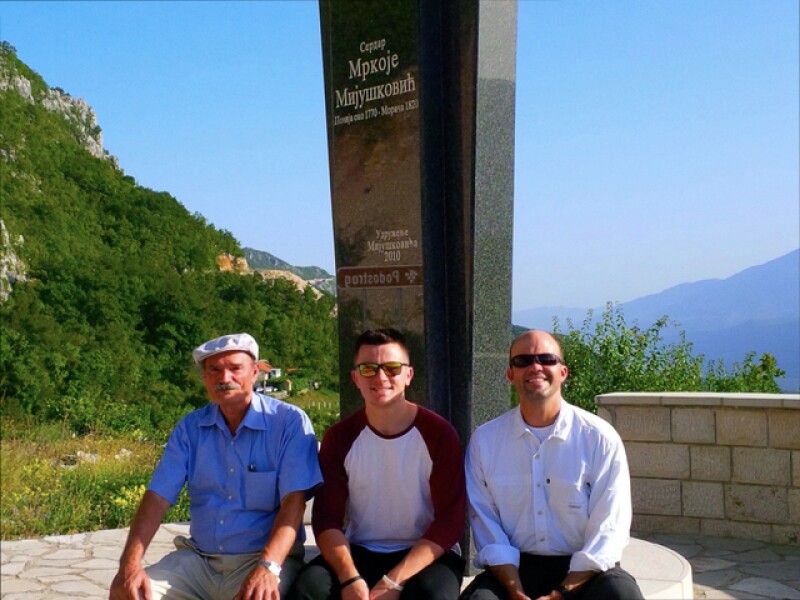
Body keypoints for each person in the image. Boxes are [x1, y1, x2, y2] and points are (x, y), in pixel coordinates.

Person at [109, 333, 323, 600]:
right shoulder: (190, 428)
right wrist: (129, 564)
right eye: (215, 370)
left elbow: (295, 502)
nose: (225, 378)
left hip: (260, 559)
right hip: (199, 560)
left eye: (235, 368)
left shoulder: (288, 423)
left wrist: (267, 566)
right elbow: (157, 497)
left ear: (255, 372)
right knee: (131, 593)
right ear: (205, 377)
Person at [460, 330, 644, 600]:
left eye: (546, 359)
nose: (535, 367)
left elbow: (609, 530)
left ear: (563, 372)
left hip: (586, 572)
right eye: (523, 361)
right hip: (514, 571)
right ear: (510, 374)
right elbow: (488, 529)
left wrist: (560, 593)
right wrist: (515, 591)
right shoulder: (484, 442)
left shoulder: (599, 438)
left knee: (622, 595)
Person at [289, 328, 466, 600]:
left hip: (426, 552)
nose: (381, 377)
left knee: (433, 596)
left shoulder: (439, 434)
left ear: (408, 375)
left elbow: (450, 520)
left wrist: (392, 582)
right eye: (369, 368)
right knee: (307, 590)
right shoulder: (340, 437)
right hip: (361, 549)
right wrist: (350, 578)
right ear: (355, 378)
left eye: (392, 368)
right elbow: (327, 519)